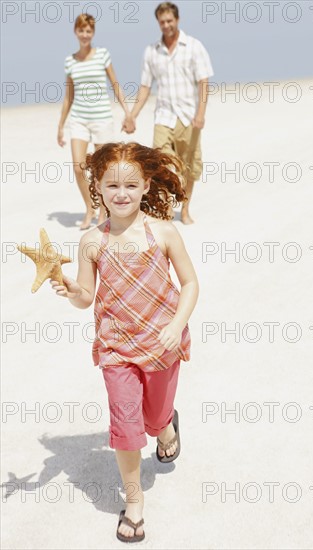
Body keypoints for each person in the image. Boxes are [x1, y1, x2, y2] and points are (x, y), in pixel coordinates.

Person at [50, 141, 199, 542]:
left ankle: (166, 427)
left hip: (162, 345)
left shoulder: (163, 232)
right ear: (96, 185)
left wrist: (177, 325)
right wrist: (70, 290)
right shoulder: (92, 242)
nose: (121, 193)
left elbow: (189, 284)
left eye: (131, 185)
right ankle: (134, 505)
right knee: (127, 427)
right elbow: (86, 296)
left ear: (147, 186)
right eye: (111, 184)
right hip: (116, 348)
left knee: (153, 420)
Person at [124, 2, 213, 225]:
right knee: (159, 164)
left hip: (188, 116)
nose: (166, 25)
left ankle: (185, 209)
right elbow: (145, 87)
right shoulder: (152, 52)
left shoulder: (193, 46)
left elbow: (203, 82)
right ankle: (163, 208)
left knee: (190, 166)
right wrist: (132, 115)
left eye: (169, 21)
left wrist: (201, 114)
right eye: (162, 22)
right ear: (158, 23)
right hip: (163, 116)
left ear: (177, 20)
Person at [58, 14, 135, 230]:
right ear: (76, 32)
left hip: (101, 118)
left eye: (89, 31)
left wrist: (128, 113)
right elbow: (68, 97)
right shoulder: (70, 61)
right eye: (81, 30)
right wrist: (60, 126)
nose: (85, 34)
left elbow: (115, 84)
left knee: (101, 169)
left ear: (93, 33)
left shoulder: (102, 55)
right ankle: (89, 207)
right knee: (78, 166)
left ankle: (103, 210)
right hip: (79, 119)